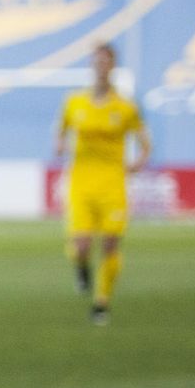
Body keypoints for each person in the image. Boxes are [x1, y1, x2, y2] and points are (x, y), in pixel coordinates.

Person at [54, 42, 150, 325]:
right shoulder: (74, 102)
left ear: (112, 67)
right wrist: (59, 143)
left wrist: (138, 162)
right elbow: (61, 130)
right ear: (91, 65)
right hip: (81, 182)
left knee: (110, 243)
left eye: (105, 62)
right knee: (82, 245)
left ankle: (101, 303)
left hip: (112, 182)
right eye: (96, 61)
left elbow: (144, 143)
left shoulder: (125, 107)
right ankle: (81, 268)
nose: (100, 67)